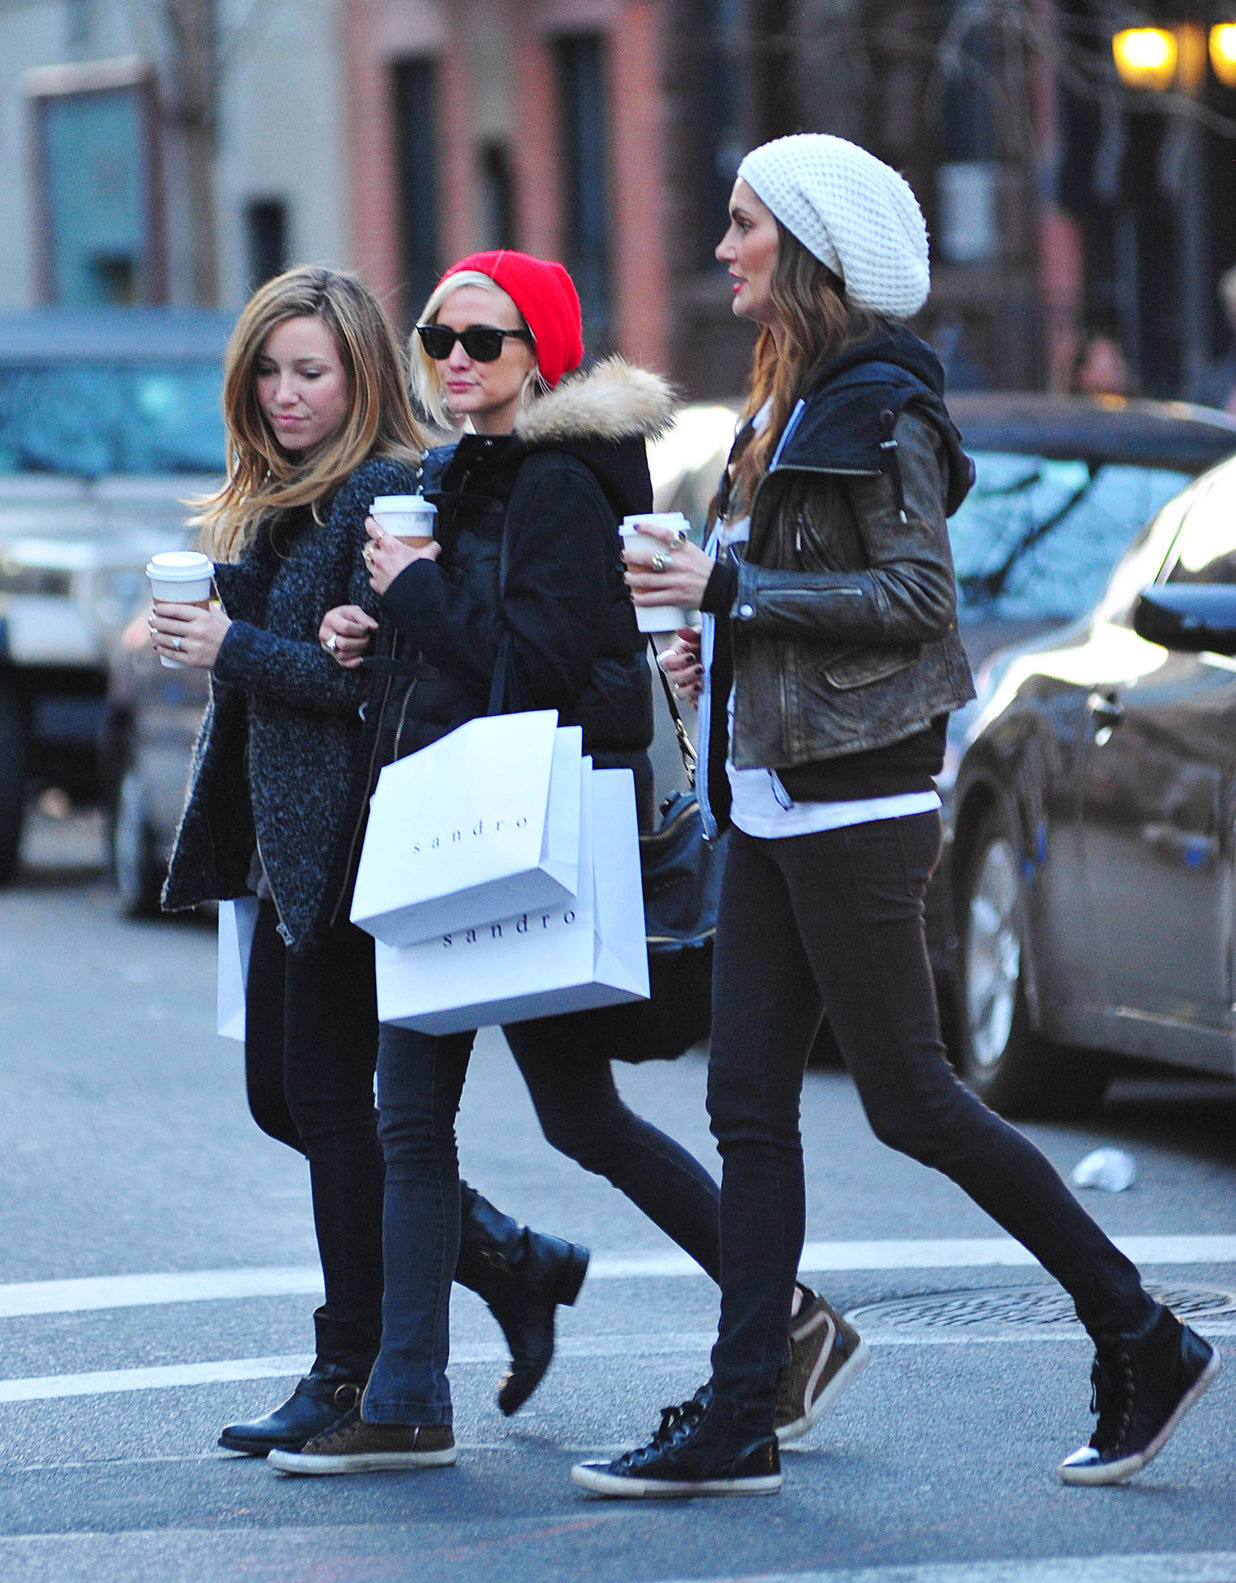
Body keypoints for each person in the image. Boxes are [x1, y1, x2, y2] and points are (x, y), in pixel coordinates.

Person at [571, 135, 1219, 1499]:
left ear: (806, 247)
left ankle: (1141, 1330)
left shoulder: (882, 403)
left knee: (914, 1097)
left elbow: (918, 597)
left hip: (856, 796)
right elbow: (801, 594)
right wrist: (718, 640)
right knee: (748, 1098)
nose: (722, 248)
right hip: (774, 788)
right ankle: (744, 1405)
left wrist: (732, 601)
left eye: (743, 225)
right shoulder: (792, 398)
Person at [268, 248, 868, 1475]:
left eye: (483, 342)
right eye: (439, 337)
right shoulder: (460, 472)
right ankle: (787, 1319)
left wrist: (419, 592)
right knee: (558, 1113)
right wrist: (368, 624)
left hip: (506, 832)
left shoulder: (551, 485)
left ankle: (409, 1393)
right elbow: (457, 654)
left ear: (539, 356)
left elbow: (535, 667)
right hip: (465, 827)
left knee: (426, 1115)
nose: (453, 360)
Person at [153, 264, 594, 1459]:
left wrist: (231, 643)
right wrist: (211, 609)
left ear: (358, 378)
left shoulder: (386, 494)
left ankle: (353, 1366)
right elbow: (290, 624)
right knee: (285, 1097)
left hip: (357, 838)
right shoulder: (291, 496)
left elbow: (360, 686)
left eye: (312, 371)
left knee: (337, 1107)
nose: (287, 393)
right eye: (270, 370)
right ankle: (505, 1256)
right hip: (287, 853)